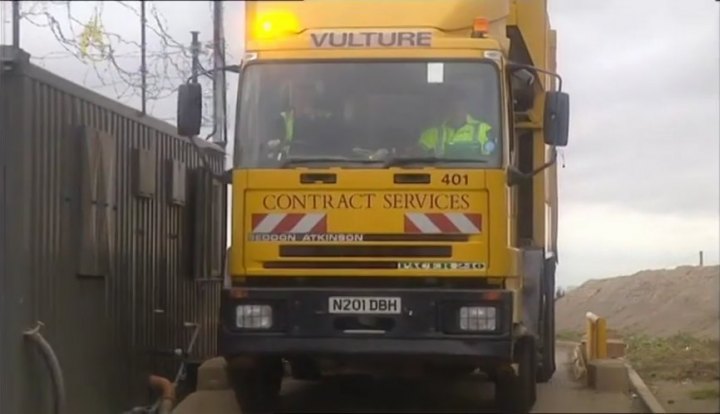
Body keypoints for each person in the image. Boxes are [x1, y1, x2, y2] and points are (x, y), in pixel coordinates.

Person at [416, 89, 497, 158]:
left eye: (460, 105)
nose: (457, 110)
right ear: (446, 108)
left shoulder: (484, 129)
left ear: (467, 106)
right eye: (453, 106)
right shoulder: (431, 134)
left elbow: (493, 158)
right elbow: (417, 157)